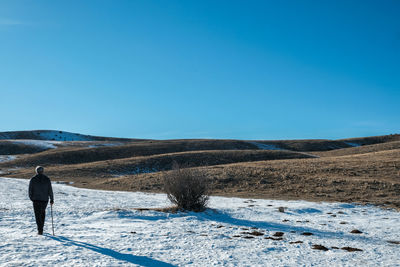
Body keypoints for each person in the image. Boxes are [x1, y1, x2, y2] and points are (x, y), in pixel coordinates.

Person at [28, 166, 54, 235]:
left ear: (36, 171)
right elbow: (50, 190)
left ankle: (40, 230)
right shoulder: (47, 179)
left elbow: (30, 190)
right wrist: (51, 199)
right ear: (43, 171)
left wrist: (31, 198)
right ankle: (41, 228)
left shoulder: (33, 179)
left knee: (37, 215)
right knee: (42, 213)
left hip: (36, 200)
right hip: (44, 200)